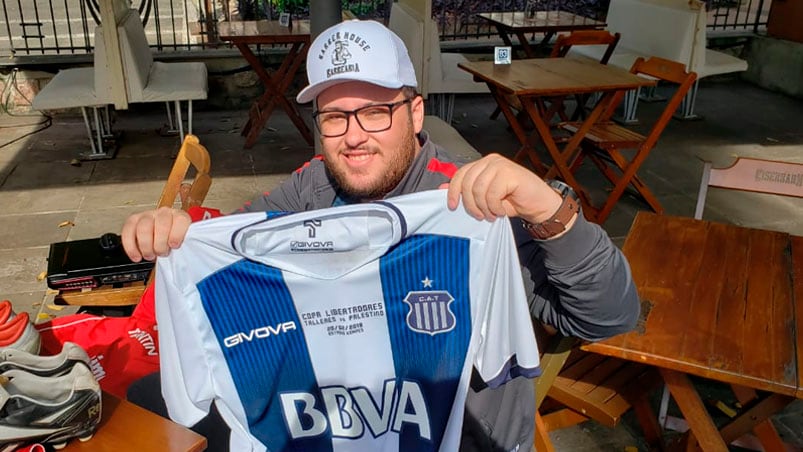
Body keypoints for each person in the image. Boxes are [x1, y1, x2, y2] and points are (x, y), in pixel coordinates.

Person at [122, 19, 639, 452]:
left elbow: (611, 316)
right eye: (334, 117)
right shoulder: (313, 185)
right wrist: (181, 232)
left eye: (374, 111)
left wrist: (551, 211)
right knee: (141, 399)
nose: (353, 136)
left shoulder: (474, 209)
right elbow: (237, 243)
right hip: (333, 422)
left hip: (458, 440)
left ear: (415, 114)